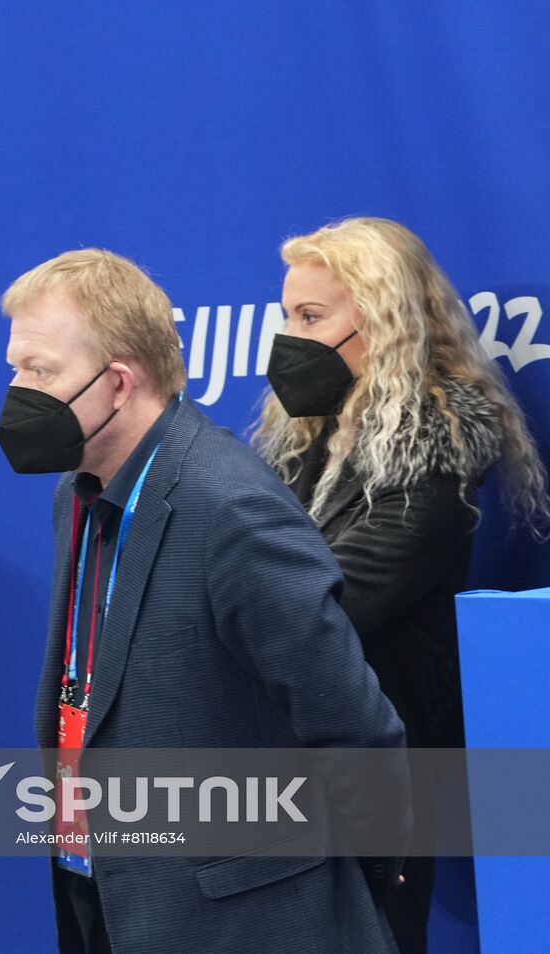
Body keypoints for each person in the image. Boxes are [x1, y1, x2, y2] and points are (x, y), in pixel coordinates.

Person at [0, 248, 410, 953]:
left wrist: (344, 891)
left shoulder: (231, 508)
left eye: (41, 372)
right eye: (15, 368)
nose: (18, 392)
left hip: (241, 919)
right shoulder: (77, 495)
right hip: (106, 891)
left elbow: (351, 723)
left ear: (119, 382)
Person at [254, 216, 550, 953]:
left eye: (311, 317)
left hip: (380, 749)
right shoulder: (304, 436)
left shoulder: (439, 440)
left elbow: (341, 598)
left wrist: (225, 611)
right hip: (282, 745)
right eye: (287, 315)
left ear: (383, 323)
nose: (289, 338)